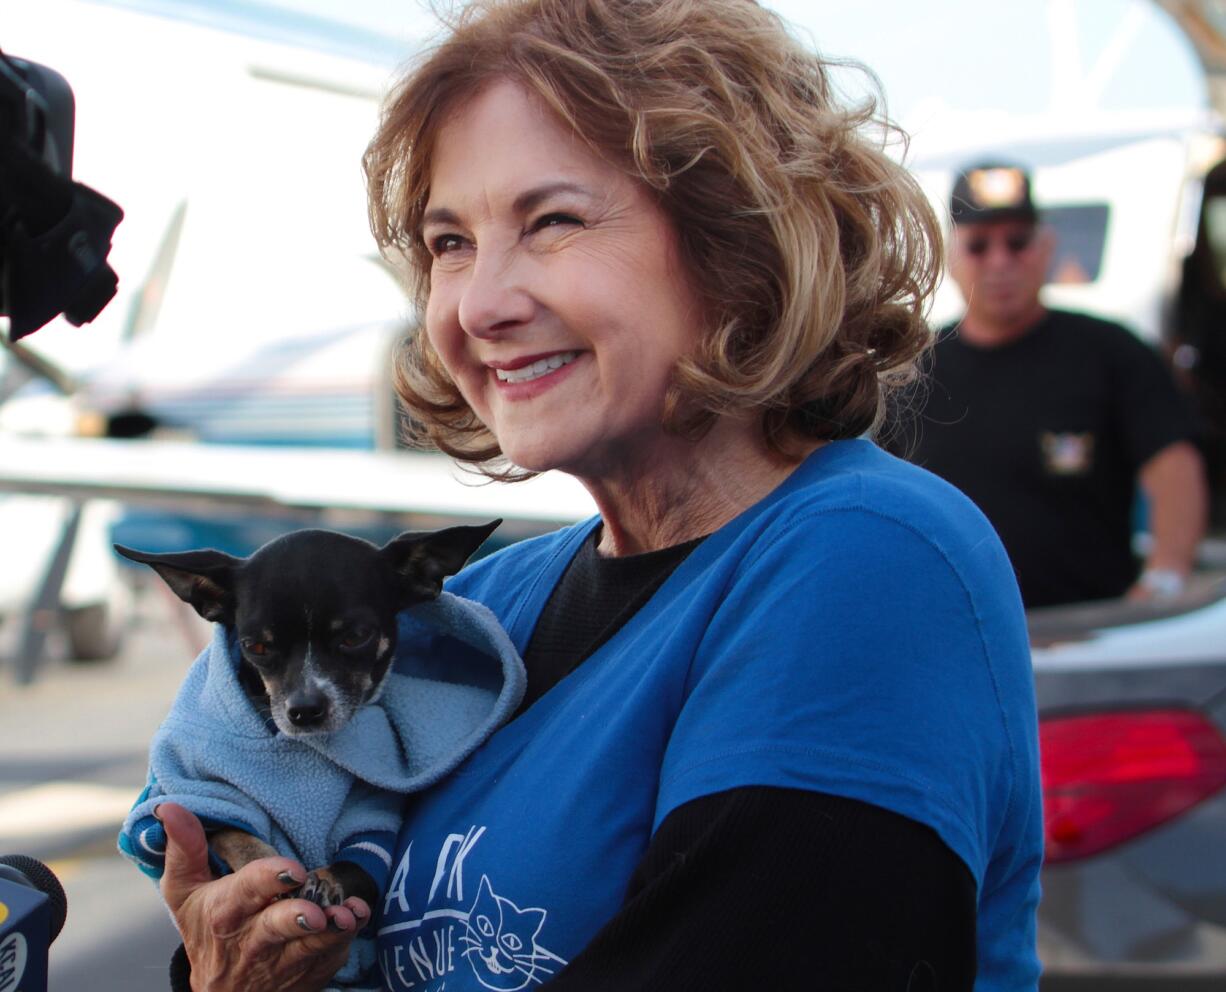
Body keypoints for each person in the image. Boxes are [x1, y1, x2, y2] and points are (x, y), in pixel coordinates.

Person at [152, 2, 1043, 989]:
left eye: (552, 221)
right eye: (450, 243)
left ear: (735, 245)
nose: (480, 304)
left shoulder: (867, 559)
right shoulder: (483, 613)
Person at [888, 161, 1208, 608]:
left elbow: (1172, 462)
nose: (1000, 261)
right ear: (952, 257)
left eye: (1017, 242)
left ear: (1046, 248)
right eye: (979, 245)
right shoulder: (912, 370)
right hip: (958, 638)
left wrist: (1166, 577)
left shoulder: (1111, 352)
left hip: (1089, 634)